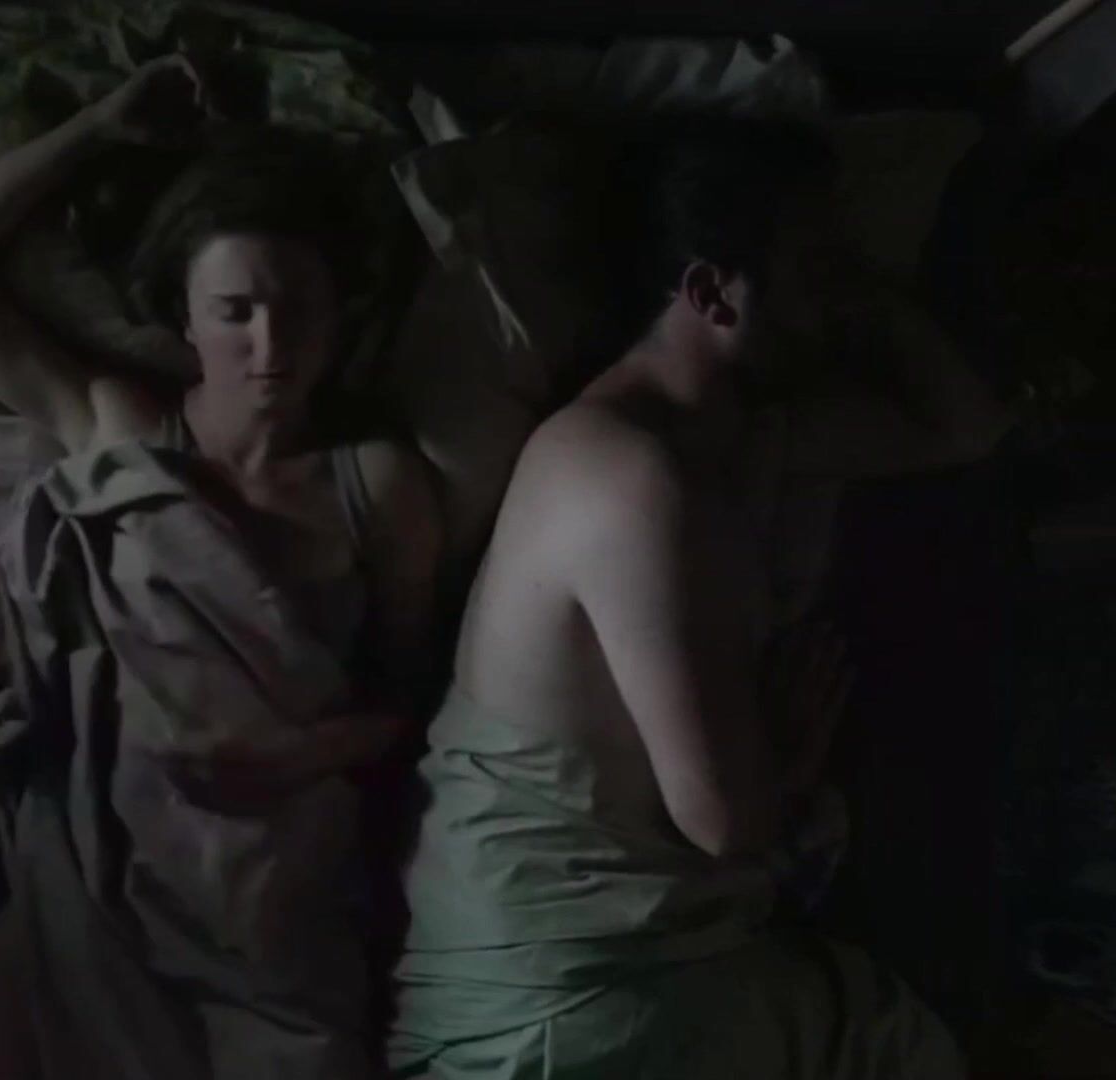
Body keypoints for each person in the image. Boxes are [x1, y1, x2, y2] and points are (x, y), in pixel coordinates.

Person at [387, 114, 1015, 1078]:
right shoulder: (623, 476)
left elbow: (966, 425)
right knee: (890, 1043)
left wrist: (865, 289)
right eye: (816, 271)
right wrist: (787, 766)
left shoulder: (741, 442)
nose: (838, 300)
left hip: (646, 964)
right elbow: (725, 822)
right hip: (561, 1004)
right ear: (710, 293)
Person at [0, 55, 442, 1077]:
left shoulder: (375, 482)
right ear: (185, 319)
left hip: (268, 901)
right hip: (98, 880)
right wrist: (98, 124)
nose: (270, 344)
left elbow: (412, 701)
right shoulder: (122, 428)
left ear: (340, 313)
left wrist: (299, 759)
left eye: (299, 307)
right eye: (236, 310)